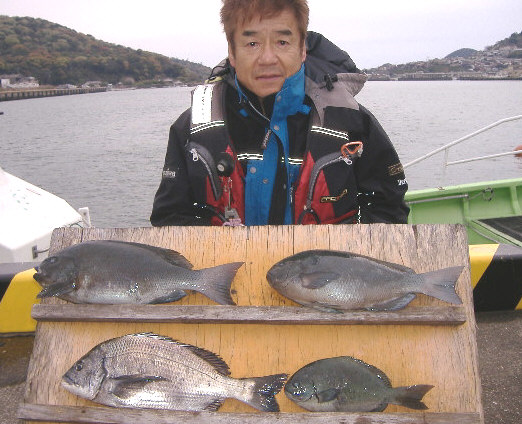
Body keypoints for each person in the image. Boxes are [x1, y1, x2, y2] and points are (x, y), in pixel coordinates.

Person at [150, 0, 409, 227]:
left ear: (302, 48)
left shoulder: (352, 123)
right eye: (252, 43)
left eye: (282, 42)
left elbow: (388, 209)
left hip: (322, 269)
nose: (267, 58)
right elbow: (170, 218)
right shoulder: (191, 129)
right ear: (232, 51)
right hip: (225, 269)